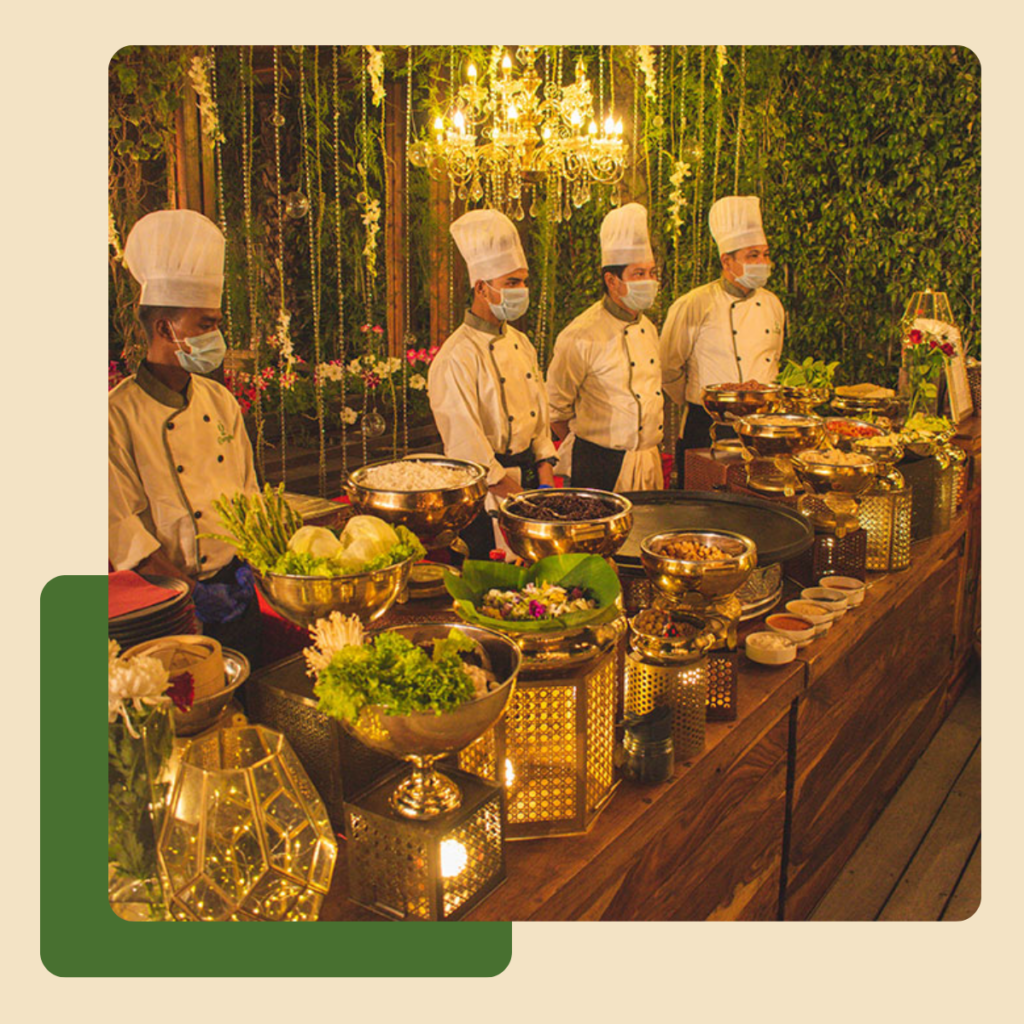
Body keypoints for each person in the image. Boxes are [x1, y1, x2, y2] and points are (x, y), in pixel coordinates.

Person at [109, 209, 263, 664]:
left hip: (239, 590)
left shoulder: (220, 401)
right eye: (205, 325)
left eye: (216, 323)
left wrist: (253, 565)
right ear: (164, 328)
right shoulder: (116, 417)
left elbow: (249, 494)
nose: (217, 336)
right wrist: (191, 592)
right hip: (167, 603)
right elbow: (122, 531)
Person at [428, 208, 557, 559]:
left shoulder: (521, 343)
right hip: (483, 497)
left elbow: (540, 419)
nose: (522, 291)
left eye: (524, 282)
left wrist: (546, 482)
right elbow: (466, 445)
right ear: (482, 288)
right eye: (511, 283)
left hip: (530, 487)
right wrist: (518, 498)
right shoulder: (455, 357)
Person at [660, 195, 785, 484]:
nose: (763, 262)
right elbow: (668, 368)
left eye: (765, 255)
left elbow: (774, 359)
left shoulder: (773, 304)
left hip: (763, 428)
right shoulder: (694, 304)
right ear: (727, 261)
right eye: (752, 256)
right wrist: (703, 401)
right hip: (707, 426)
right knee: (703, 501)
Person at [546, 202, 664, 493]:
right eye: (638, 274)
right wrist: (591, 446)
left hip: (648, 460)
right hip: (598, 466)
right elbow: (555, 409)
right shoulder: (580, 335)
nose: (649, 281)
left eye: (652, 273)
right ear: (612, 281)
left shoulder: (648, 328)